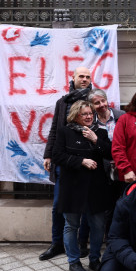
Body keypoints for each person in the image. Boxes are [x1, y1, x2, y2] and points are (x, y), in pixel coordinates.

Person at [52, 100, 112, 271]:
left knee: (98, 226)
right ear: (75, 115)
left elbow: (110, 153)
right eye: (84, 114)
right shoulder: (65, 131)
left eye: (90, 113)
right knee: (71, 225)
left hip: (96, 187)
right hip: (72, 187)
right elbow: (57, 155)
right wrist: (81, 161)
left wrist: (96, 140)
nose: (88, 116)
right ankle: (74, 261)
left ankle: (95, 259)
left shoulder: (99, 131)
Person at [39, 66, 93, 261]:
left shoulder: (93, 100)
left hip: (86, 161)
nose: (85, 79)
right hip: (64, 161)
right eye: (81, 76)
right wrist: (48, 155)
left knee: (85, 206)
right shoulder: (63, 102)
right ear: (73, 78)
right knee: (57, 206)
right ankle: (57, 243)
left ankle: (81, 243)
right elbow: (54, 129)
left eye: (88, 76)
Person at [89, 89, 125, 237]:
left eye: (103, 101)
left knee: (122, 204)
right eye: (96, 103)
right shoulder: (91, 122)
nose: (101, 105)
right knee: (107, 207)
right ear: (91, 106)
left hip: (122, 167)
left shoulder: (121, 116)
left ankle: (122, 236)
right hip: (102, 170)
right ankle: (109, 239)